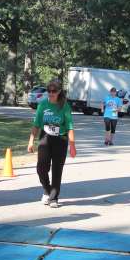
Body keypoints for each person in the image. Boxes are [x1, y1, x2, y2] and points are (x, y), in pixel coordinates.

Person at [27, 79, 76, 208]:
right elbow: (36, 124)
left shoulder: (64, 106)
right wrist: (31, 141)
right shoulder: (42, 105)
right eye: (49, 91)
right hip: (45, 138)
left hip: (61, 140)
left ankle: (54, 198)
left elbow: (70, 126)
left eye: (54, 91)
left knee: (57, 169)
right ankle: (47, 190)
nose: (51, 93)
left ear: (59, 92)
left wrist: (72, 146)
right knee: (41, 167)